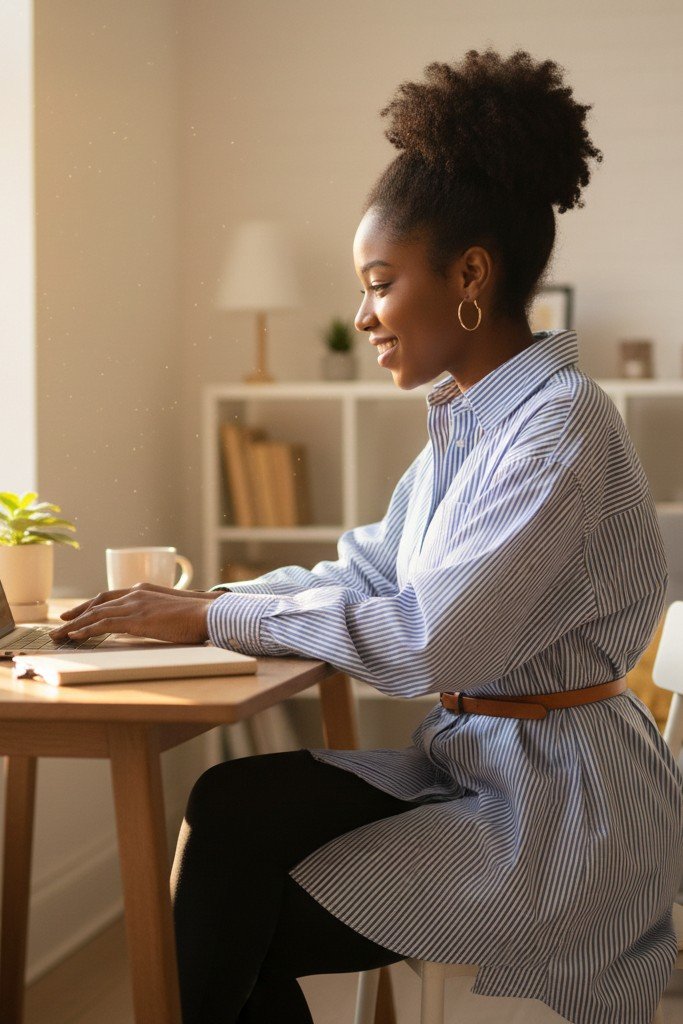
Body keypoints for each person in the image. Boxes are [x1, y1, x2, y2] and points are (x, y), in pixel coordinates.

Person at [50, 49, 683, 1024]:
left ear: (469, 275)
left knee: (231, 909)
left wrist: (210, 618)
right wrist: (208, 605)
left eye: (379, 283)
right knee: (227, 807)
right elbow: (368, 569)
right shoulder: (471, 427)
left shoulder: (557, 428)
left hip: (564, 813)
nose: (362, 316)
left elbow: (427, 639)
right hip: (482, 764)